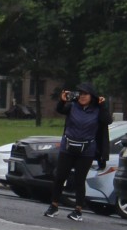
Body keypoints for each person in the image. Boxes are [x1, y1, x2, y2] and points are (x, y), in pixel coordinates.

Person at [44, 81, 111, 222]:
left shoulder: (97, 110)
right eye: (80, 94)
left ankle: (78, 209)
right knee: (60, 176)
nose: (82, 96)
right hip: (68, 147)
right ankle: (54, 205)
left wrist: (103, 105)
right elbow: (60, 110)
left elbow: (107, 120)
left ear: (92, 96)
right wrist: (62, 101)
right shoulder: (72, 106)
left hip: (86, 150)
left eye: (85, 94)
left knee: (79, 180)